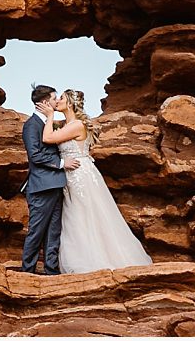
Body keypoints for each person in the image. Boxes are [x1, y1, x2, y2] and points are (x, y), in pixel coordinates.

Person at [40, 88, 153, 273]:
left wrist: (50, 115)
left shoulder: (76, 125)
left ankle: (94, 260)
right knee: (74, 214)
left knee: (86, 214)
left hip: (80, 175)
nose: (57, 100)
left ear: (70, 103)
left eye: (61, 98)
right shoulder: (67, 125)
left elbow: (47, 137)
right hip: (71, 175)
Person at [17, 84, 80, 274]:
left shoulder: (50, 124)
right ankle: (27, 271)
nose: (57, 101)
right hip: (41, 187)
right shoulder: (31, 125)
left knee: (54, 231)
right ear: (45, 102)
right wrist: (62, 163)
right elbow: (35, 155)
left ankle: (51, 271)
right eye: (54, 99)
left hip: (56, 185)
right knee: (36, 231)